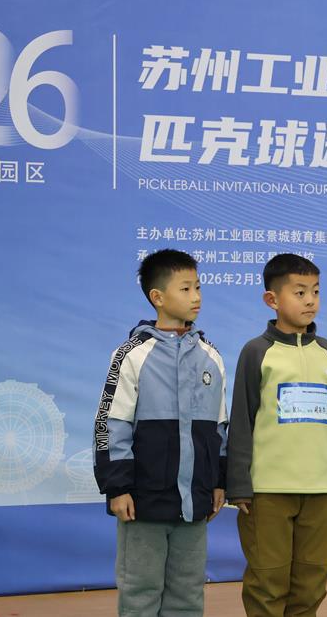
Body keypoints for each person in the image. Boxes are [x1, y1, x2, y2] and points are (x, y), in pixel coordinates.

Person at [92, 248, 228, 617]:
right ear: (158, 297)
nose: (196, 296)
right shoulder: (132, 355)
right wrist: (118, 487)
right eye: (185, 288)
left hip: (194, 504)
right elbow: (111, 424)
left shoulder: (211, 356)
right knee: (141, 592)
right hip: (143, 503)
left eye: (198, 287)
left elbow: (220, 427)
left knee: (187, 594)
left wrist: (219, 481)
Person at [226, 254, 327, 617]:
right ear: (272, 299)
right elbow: (242, 421)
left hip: (318, 491)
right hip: (267, 492)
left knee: (310, 584)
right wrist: (239, 486)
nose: (310, 300)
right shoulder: (257, 352)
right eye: (300, 292)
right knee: (268, 581)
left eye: (315, 291)